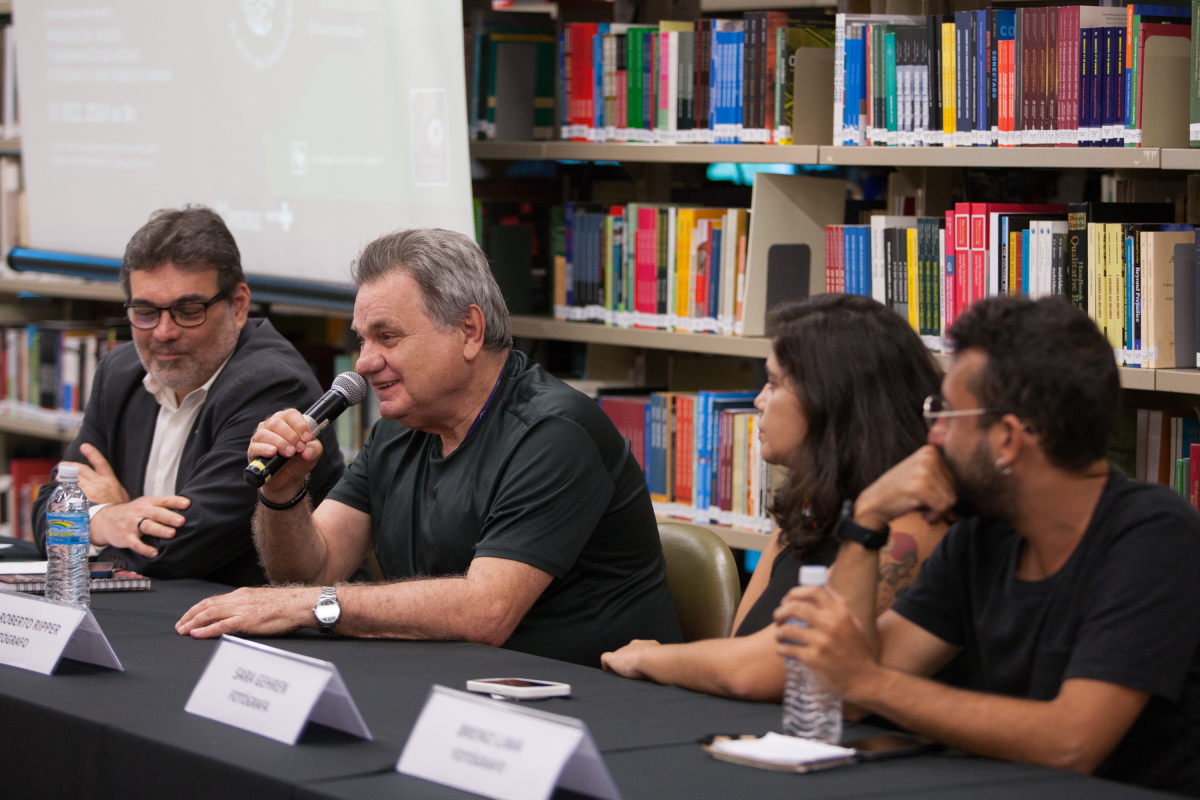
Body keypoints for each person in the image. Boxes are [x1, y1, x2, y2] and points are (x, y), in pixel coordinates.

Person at [174, 227, 683, 667]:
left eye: (387, 337)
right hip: (452, 684)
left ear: (468, 331)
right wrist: (284, 496)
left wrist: (312, 606)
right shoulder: (401, 428)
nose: (365, 362)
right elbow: (307, 572)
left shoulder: (554, 433)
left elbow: (487, 611)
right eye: (362, 340)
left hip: (584, 701)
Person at [774, 296, 1200, 796]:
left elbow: (1072, 743)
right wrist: (867, 518)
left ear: (1006, 439)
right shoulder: (984, 535)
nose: (930, 433)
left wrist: (863, 680)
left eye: (947, 413)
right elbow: (844, 694)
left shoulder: (1154, 537)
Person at [601, 294, 948, 701]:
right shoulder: (807, 504)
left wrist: (652, 659)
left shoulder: (916, 522)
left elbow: (767, 670)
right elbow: (741, 644)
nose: (759, 401)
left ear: (831, 400)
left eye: (775, 383)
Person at [32, 206, 345, 587]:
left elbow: (177, 551)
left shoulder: (272, 385)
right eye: (145, 312)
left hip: (249, 630)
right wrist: (103, 519)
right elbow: (50, 504)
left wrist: (102, 515)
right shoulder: (120, 371)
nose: (163, 332)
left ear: (239, 305)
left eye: (187, 311)